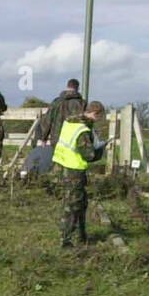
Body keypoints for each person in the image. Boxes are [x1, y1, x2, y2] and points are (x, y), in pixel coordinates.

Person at [53, 100, 107, 247]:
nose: (99, 120)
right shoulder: (82, 130)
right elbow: (88, 155)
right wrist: (100, 150)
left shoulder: (70, 123)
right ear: (94, 113)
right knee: (73, 206)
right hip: (73, 171)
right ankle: (66, 240)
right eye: (99, 117)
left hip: (63, 166)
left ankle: (79, 236)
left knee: (75, 203)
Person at [41, 78, 85, 147]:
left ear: (67, 87)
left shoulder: (56, 102)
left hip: (57, 139)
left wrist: (44, 138)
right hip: (74, 139)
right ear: (78, 88)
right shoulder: (82, 103)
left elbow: (48, 121)